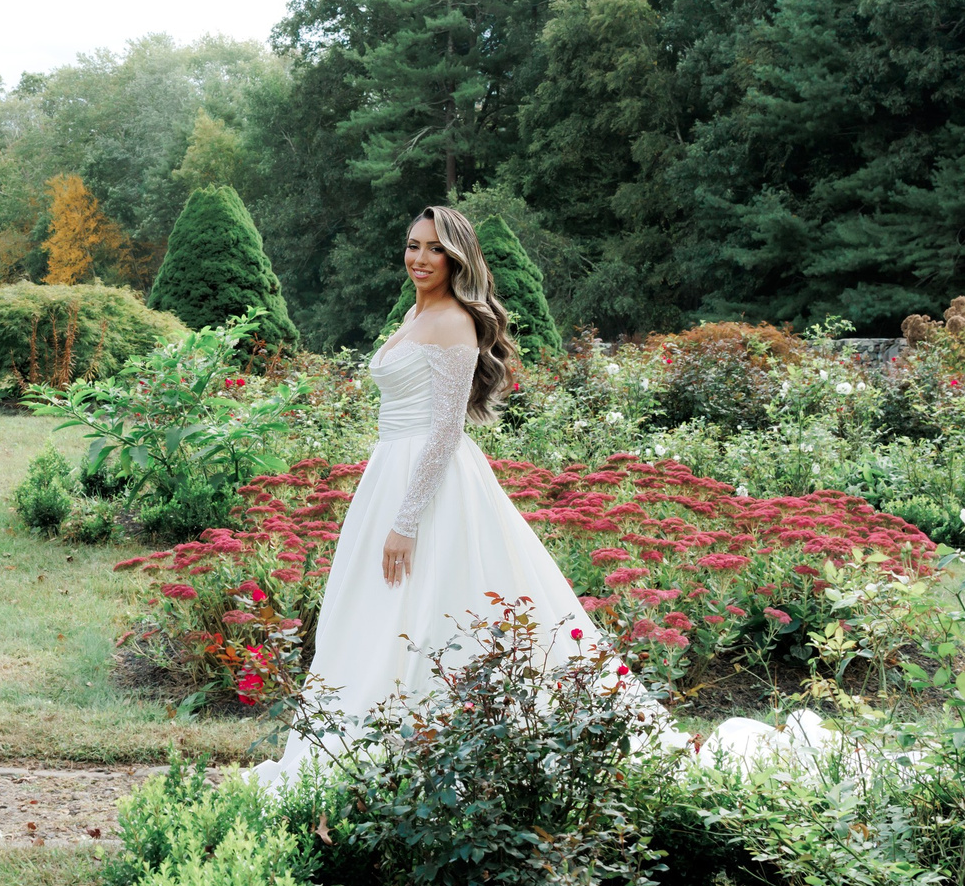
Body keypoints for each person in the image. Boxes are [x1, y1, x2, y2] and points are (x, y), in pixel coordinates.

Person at [252, 205, 832, 787]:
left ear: (457, 259)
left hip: (430, 485)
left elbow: (448, 429)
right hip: (389, 472)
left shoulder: (453, 321)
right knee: (379, 606)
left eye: (434, 249)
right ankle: (376, 734)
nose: (419, 258)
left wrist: (406, 520)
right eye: (412, 245)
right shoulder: (412, 313)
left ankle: (443, 741)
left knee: (437, 602)